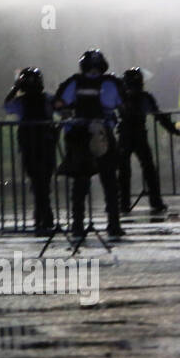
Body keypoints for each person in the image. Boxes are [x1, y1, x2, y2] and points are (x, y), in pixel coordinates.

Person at [54, 49, 124, 238]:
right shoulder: (111, 82)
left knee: (80, 181)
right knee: (109, 181)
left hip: (79, 135)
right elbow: (122, 104)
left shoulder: (74, 82)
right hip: (103, 134)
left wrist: (68, 113)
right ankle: (114, 223)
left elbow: (59, 104)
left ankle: (77, 224)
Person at [117, 67, 180, 215]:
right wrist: (172, 129)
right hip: (138, 134)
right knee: (147, 169)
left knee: (126, 171)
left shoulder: (121, 97)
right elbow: (158, 115)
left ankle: (124, 203)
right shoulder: (144, 97)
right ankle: (154, 201)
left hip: (126, 135)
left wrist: (172, 129)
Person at [3, 67, 58, 235]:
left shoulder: (21, 102)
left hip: (29, 146)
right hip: (46, 144)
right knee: (44, 180)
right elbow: (62, 108)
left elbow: (6, 106)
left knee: (36, 180)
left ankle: (42, 214)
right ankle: (45, 213)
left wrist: (14, 88)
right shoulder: (48, 99)